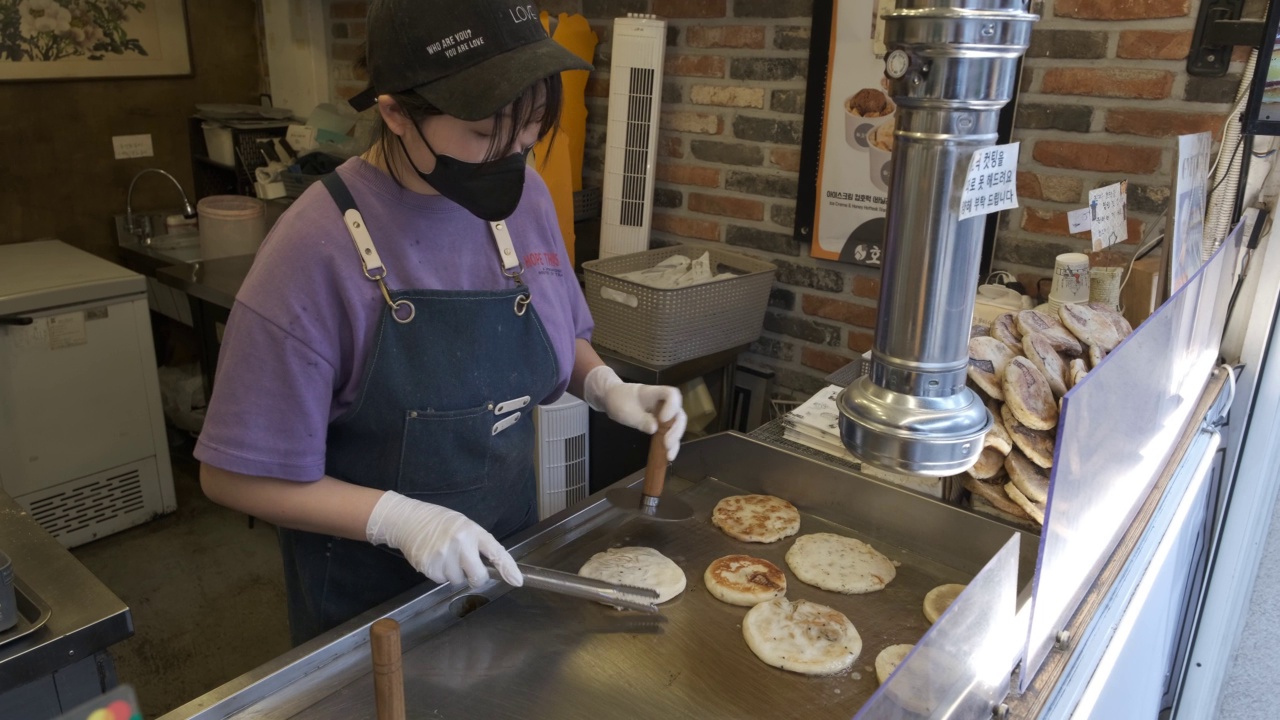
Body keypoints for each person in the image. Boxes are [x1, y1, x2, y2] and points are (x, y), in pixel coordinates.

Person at [195, 0, 687, 646]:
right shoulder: (312, 252)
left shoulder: (527, 196)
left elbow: (555, 329)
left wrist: (604, 386)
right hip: (369, 615)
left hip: (507, 571)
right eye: (486, 134)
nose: (514, 152)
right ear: (396, 112)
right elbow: (232, 472)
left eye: (531, 124)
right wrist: (397, 519)